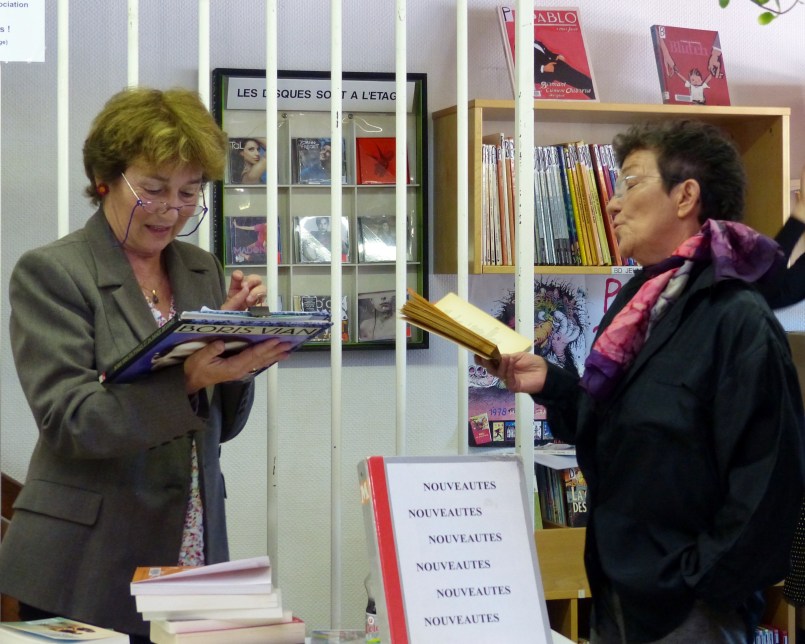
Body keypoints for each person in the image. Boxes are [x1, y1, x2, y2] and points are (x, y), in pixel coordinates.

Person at [477, 119, 805, 643]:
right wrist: (551, 384)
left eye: (630, 183)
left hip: (688, 612)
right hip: (618, 592)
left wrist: (697, 585)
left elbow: (768, 485)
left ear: (685, 196)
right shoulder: (640, 302)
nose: (612, 204)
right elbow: (615, 427)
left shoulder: (737, 318)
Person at [0, 87, 294, 643]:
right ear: (104, 179)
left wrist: (237, 350)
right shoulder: (53, 272)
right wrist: (188, 377)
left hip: (192, 539)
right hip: (85, 558)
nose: (171, 210)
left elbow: (218, 425)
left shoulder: (201, 268)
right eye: (153, 189)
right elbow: (70, 421)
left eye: (189, 191)